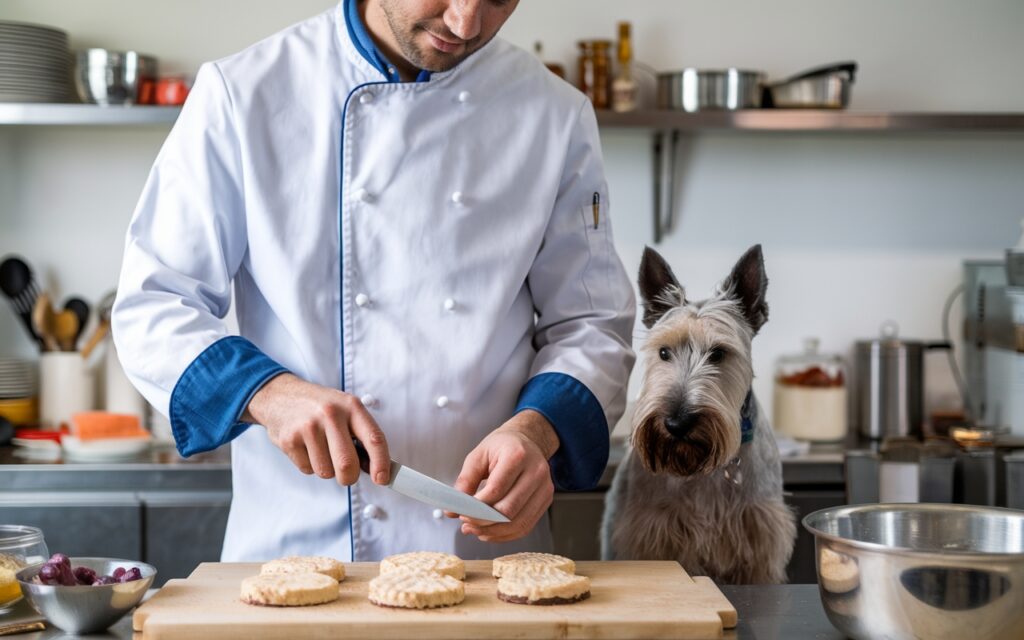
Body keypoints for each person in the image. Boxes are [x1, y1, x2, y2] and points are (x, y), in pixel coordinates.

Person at [112, 0, 635, 562]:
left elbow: (591, 324)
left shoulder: (552, 114)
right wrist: (267, 394)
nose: (466, 24)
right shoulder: (245, 93)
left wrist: (538, 432)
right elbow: (154, 306)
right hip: (298, 551)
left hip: (483, 561)